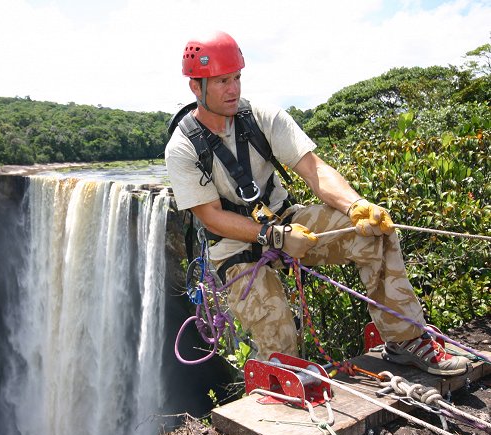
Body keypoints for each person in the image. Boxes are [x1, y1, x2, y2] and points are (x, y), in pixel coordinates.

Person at [164, 30, 470, 376]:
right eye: (221, 81)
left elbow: (315, 171)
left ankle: (406, 341)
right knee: (278, 335)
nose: (233, 89)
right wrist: (275, 237)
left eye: (236, 78)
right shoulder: (183, 147)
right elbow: (211, 217)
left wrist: (356, 205)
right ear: (196, 87)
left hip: (286, 218)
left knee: (373, 234)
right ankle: (279, 384)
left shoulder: (262, 118)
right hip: (234, 245)